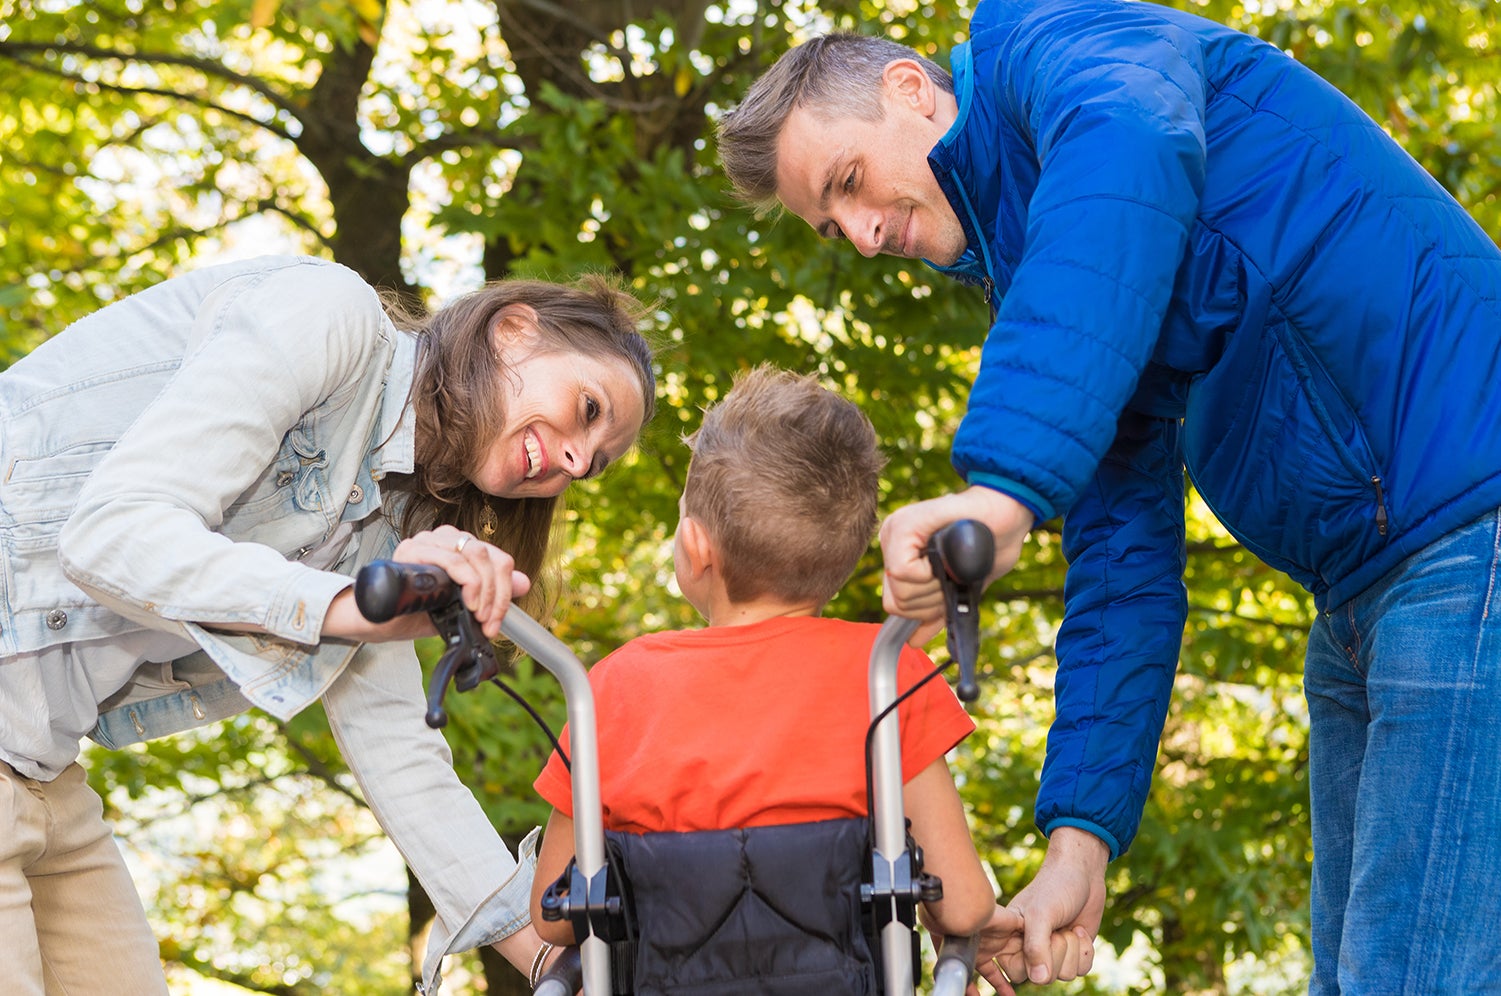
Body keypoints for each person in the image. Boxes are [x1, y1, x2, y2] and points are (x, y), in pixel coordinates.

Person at [716, 2, 1501, 994]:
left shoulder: (1059, 43)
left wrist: (1001, 492)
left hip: (1469, 523)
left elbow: (1129, 153)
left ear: (908, 90)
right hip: (1366, 586)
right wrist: (1078, 845)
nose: (865, 235)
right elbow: (1122, 558)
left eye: (848, 184)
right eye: (835, 226)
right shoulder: (1061, 273)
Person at [0, 253, 657, 995]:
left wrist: (553, 961)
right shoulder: (327, 314)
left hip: (39, 771)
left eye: (593, 463)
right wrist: (347, 608)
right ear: (513, 333)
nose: (573, 458)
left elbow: (397, 745)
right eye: (589, 409)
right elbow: (110, 533)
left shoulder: (393, 522)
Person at [526, 365, 1015, 986]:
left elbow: (555, 911)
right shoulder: (886, 676)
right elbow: (965, 903)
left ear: (697, 546)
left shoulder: (612, 689)